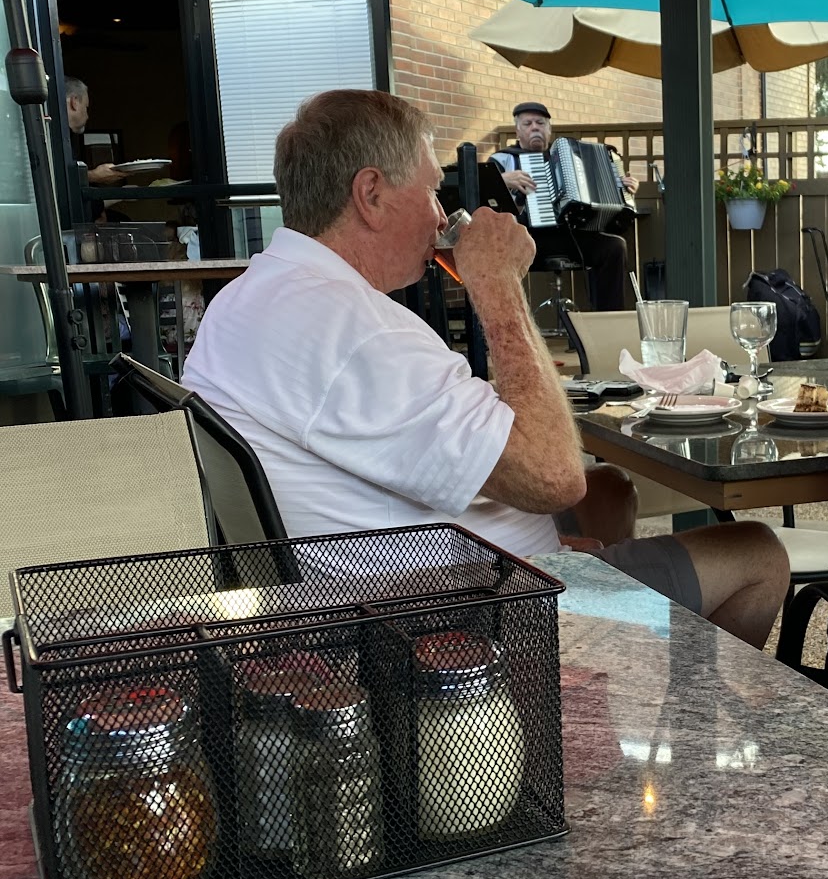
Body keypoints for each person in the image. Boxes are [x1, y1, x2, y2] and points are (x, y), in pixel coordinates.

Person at [184, 90, 787, 647]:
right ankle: (653, 695)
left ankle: (615, 673)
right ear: (371, 195)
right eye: (430, 192)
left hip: (370, 581)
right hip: (454, 615)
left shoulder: (245, 300)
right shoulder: (359, 331)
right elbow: (554, 476)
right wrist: (497, 285)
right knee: (757, 552)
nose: (439, 217)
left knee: (610, 489)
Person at [491, 102, 634, 311]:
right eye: (528, 124)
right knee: (496, 254)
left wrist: (624, 189)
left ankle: (608, 318)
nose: (535, 127)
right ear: (518, 131)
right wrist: (502, 180)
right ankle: (507, 319)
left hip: (570, 235)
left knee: (614, 247)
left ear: (549, 129)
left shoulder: (568, 156)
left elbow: (601, 186)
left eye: (540, 123)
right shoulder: (503, 160)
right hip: (526, 237)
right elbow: (485, 200)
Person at [63, 76, 128, 187]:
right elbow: (57, 177)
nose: (87, 116)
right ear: (74, 102)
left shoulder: (69, 138)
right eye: (86, 107)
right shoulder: (51, 137)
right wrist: (93, 176)